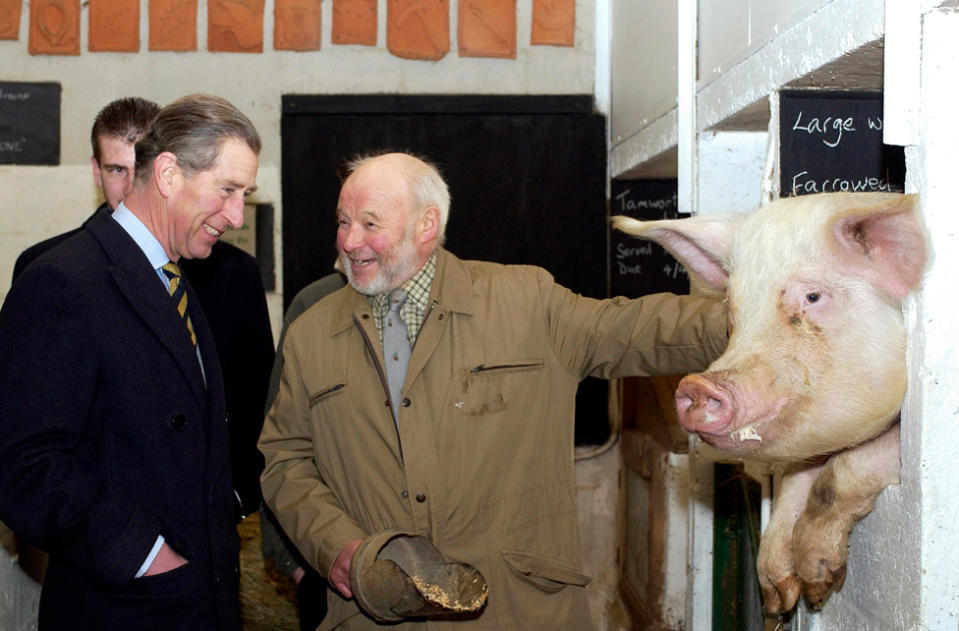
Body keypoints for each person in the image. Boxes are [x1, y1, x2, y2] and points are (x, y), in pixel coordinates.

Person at [258, 152, 729, 630]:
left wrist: (748, 319)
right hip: (375, 615)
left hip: (517, 611)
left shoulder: (525, 301)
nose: (348, 241)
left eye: (369, 223)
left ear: (426, 225)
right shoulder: (310, 333)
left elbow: (635, 329)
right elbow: (285, 460)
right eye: (343, 221)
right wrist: (336, 546)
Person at [0, 94, 261, 630]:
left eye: (245, 195)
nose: (236, 216)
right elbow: (24, 465)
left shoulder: (175, 275)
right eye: (228, 190)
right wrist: (143, 554)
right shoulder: (64, 280)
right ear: (167, 174)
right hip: (124, 607)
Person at [259, 270, 345, 631]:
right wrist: (290, 561)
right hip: (324, 560)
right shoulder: (315, 302)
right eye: (344, 222)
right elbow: (279, 443)